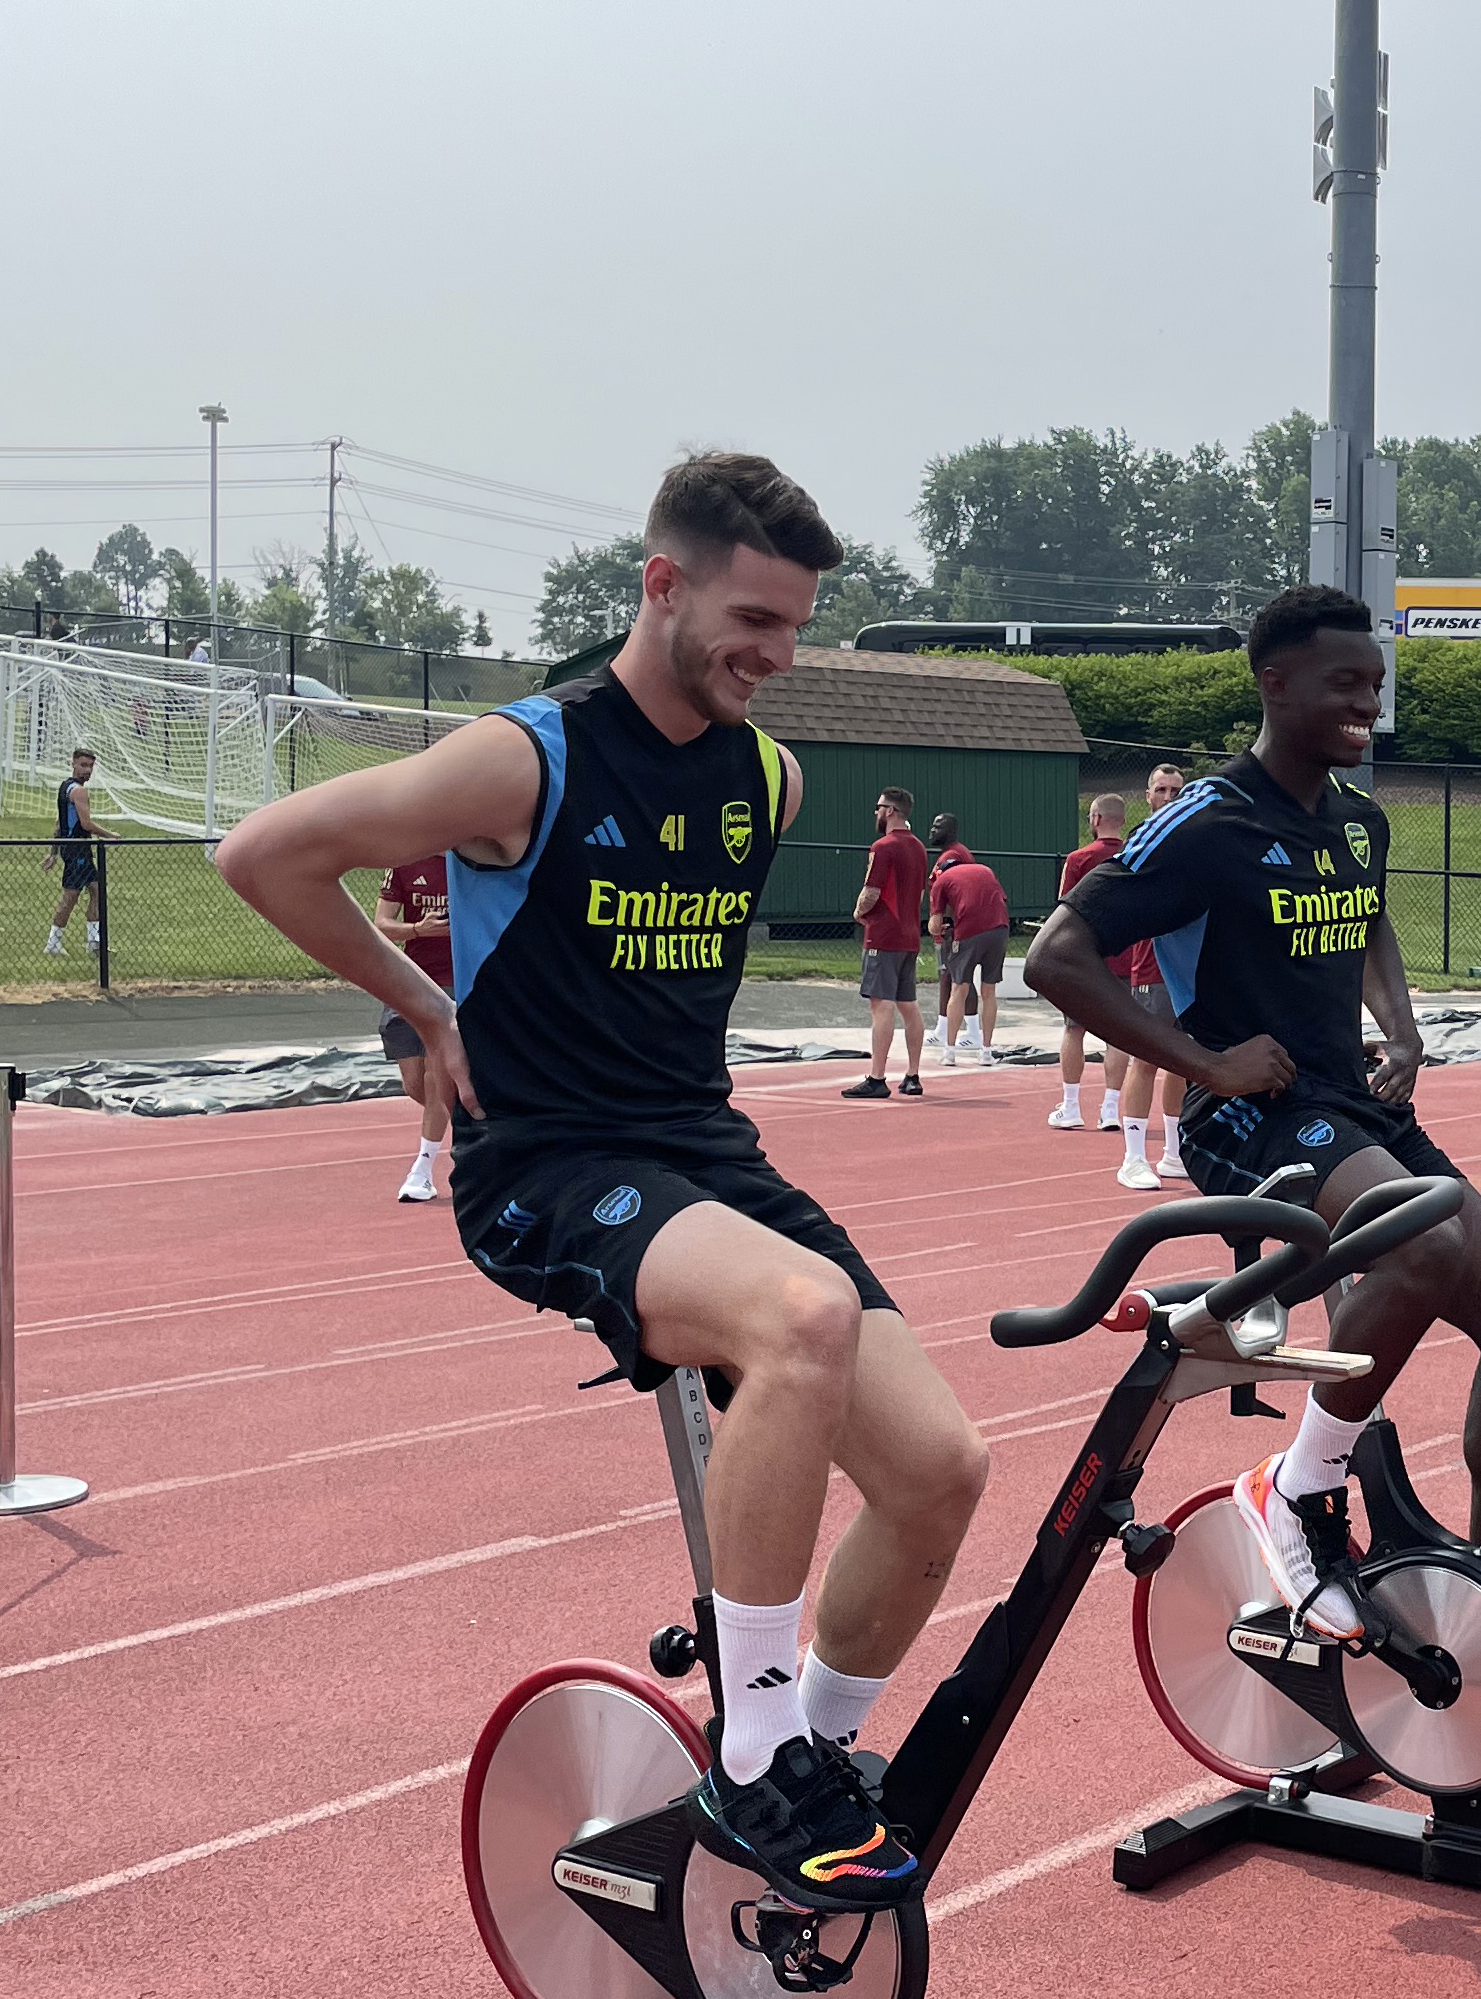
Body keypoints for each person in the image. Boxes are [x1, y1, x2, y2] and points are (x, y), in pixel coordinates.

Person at [215, 448, 980, 1908]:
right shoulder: (528, 757)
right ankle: (754, 1756)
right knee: (799, 1319)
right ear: (662, 586)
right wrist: (424, 1004)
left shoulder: (771, 771)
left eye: (797, 626)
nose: (777, 654)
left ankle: (804, 1760)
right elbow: (266, 856)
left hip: (704, 1153)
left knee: (942, 1472)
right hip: (547, 1167)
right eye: (753, 619)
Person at [1031, 584, 1481, 1690]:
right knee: (1418, 1249)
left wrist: (1405, 1024)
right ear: (1274, 683)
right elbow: (1056, 957)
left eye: (1375, 685)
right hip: (1251, 1118)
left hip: (1355, 1103)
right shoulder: (1208, 821)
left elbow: (1368, 914)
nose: (1366, 704)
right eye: (1344, 683)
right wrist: (1205, 1064)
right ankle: (1298, 1483)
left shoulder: (1358, 819)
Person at [1108, 762, 1194, 1187]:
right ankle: (1132, 1157)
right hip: (1153, 968)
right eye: (1162, 789)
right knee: (1145, 1060)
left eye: (1177, 790)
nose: (1169, 796)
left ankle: (1175, 1153)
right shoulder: (1142, 840)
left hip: (1194, 969)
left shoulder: (1199, 838)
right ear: (1148, 795)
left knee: (1182, 1061)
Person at [370, 837, 456, 1201]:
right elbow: (381, 924)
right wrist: (419, 929)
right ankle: (475, 1119)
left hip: (458, 983)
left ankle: (421, 1171)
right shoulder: (404, 863)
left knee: (438, 1077)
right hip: (412, 980)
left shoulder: (471, 865)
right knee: (414, 1084)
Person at [1046, 794, 1136, 1131]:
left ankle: (1071, 1105)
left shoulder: (1079, 858)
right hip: (1127, 955)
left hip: (1087, 957)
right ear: (1122, 820)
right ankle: (1110, 1107)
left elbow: (1063, 911)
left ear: (1095, 818)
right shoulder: (1135, 855)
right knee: (1118, 1034)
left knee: (1074, 1028)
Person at [845, 788, 929, 1098]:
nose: (876, 813)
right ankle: (913, 1074)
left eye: (878, 807)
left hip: (883, 935)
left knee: (881, 1005)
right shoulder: (919, 848)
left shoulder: (883, 847)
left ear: (890, 811)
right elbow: (919, 895)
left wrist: (857, 912)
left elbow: (872, 891)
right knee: (909, 1004)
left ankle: (877, 1077)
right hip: (909, 936)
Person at [923, 819, 1008, 1069]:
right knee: (989, 991)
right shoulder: (984, 869)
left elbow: (935, 925)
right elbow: (999, 898)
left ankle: (949, 1051)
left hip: (969, 931)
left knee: (958, 987)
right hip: (1000, 928)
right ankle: (986, 1051)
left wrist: (941, 927)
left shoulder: (942, 880)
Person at [43, 747, 118, 960]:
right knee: (71, 896)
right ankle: (53, 943)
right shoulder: (79, 791)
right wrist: (109, 835)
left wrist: (54, 852)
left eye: (91, 766)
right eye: (83, 765)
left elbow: (59, 823)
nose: (87, 770)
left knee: (96, 890)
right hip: (78, 850)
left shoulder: (64, 787)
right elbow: (85, 824)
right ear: (73, 763)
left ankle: (95, 942)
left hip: (74, 848)